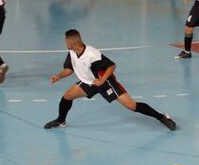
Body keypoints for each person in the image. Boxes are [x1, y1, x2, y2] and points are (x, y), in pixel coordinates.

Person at [43, 29, 177, 131]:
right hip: (89, 82)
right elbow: (69, 69)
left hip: (105, 82)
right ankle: (61, 121)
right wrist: (59, 76)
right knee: (67, 96)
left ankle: (162, 117)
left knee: (132, 105)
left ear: (71, 43)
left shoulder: (92, 54)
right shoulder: (72, 52)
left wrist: (102, 81)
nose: (65, 43)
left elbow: (112, 66)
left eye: (66, 41)